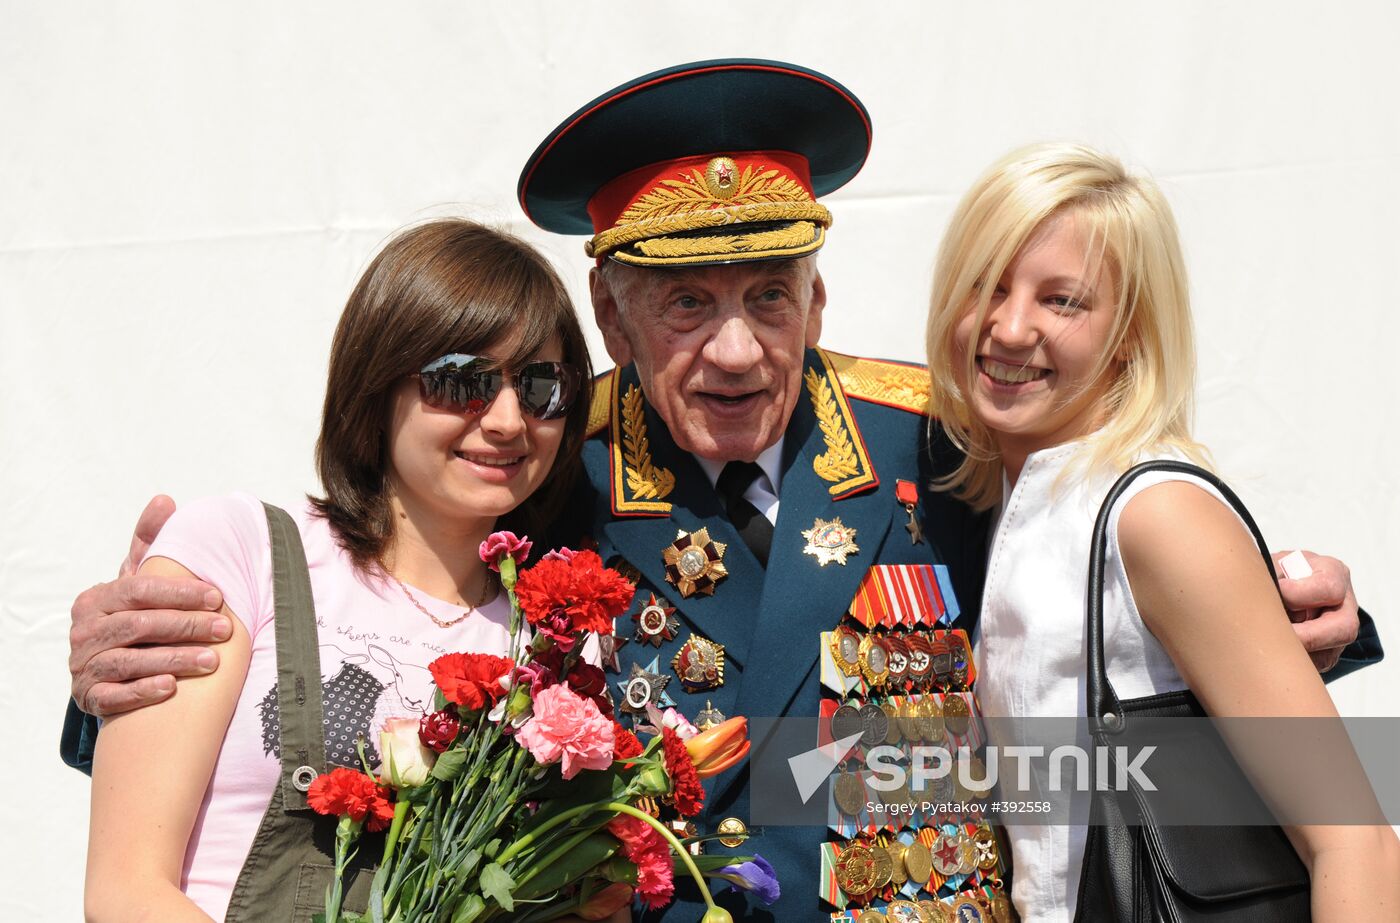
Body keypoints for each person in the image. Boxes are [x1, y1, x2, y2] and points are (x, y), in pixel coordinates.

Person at [64, 62, 1382, 920]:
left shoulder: (944, 441)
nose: (738, 346)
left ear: (820, 294)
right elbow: (369, 602)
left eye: (768, 296)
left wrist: (1297, 611)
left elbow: (1115, 572)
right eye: (686, 303)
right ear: (611, 314)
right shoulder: (540, 461)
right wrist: (130, 657)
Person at [924, 142, 1399, 921]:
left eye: (1062, 300)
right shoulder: (1010, 480)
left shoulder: (1156, 512)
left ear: (1131, 329)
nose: (1009, 327)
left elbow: (1357, 843)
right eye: (988, 285)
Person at [83, 218, 598, 921]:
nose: (509, 418)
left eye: (543, 385)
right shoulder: (241, 548)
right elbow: (125, 890)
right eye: (462, 380)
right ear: (378, 384)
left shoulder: (557, 647)